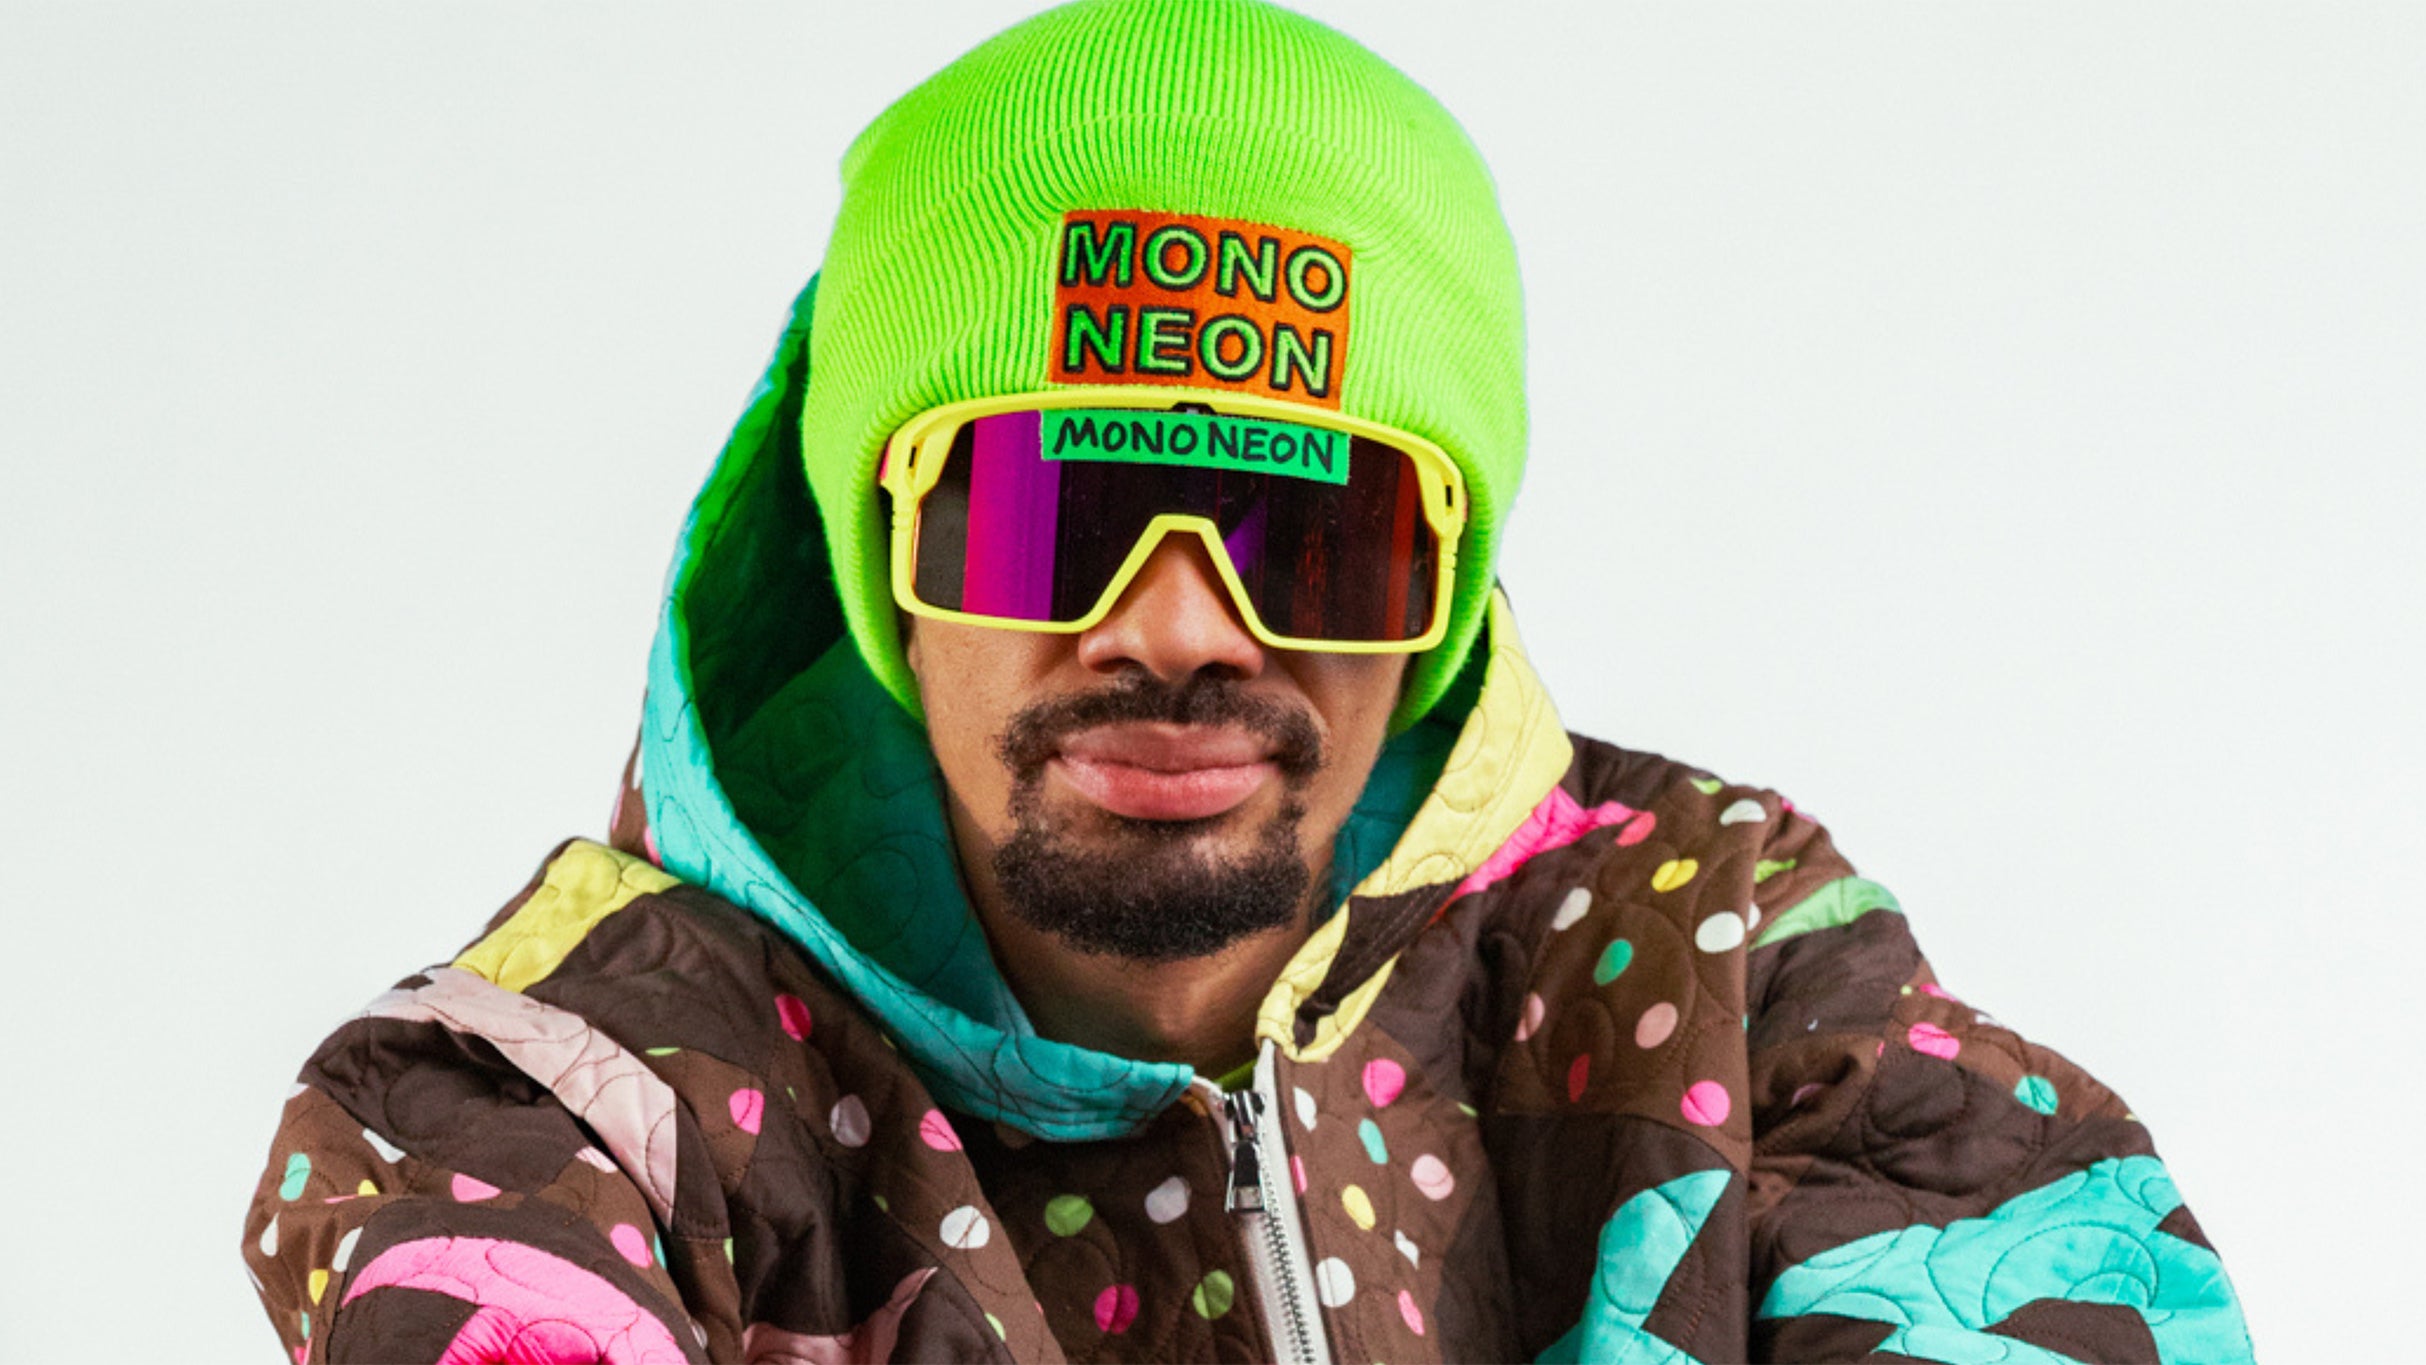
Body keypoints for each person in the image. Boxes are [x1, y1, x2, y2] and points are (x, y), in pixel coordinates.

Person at [240, 2, 2253, 1360]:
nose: (1182, 631)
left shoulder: (1715, 957)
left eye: (1312, 533)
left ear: (1441, 592)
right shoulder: (580, 1097)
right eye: (1050, 516)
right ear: (880, 569)